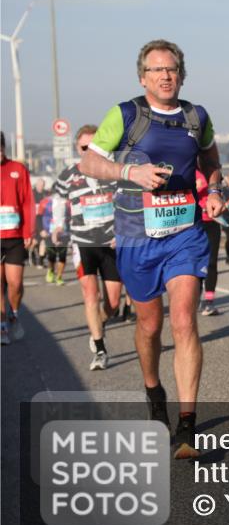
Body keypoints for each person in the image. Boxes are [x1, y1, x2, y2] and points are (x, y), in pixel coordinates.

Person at [81, 39, 223, 458]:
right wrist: (130, 171)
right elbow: (89, 162)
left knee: (183, 321)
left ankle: (186, 425)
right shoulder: (125, 114)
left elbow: (210, 157)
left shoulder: (197, 117)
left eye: (172, 69)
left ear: (182, 74)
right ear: (143, 77)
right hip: (136, 237)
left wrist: (213, 188)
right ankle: (152, 388)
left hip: (185, 232)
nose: (165, 75)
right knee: (149, 327)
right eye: (157, 69)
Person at [53, 125, 123, 370]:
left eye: (95, 146)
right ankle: (100, 348)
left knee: (113, 303)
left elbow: (126, 203)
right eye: (85, 148)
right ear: (77, 148)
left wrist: (123, 231)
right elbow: (59, 202)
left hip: (111, 242)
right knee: (90, 295)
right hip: (83, 243)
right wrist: (57, 227)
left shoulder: (114, 173)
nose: (90, 151)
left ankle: (98, 326)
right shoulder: (68, 175)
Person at [1, 132, 35, 345]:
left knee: (15, 283)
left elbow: (27, 202)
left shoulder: (18, 169)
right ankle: (2, 325)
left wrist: (29, 231)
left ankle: (14, 312)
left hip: (14, 236)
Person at [195, 170, 223, 315]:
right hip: (194, 223)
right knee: (196, 262)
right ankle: (195, 297)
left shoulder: (212, 172)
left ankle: (209, 302)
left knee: (211, 261)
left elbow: (220, 192)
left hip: (212, 222)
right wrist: (195, 187)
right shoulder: (189, 169)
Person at [44, 194, 68, 286]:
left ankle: (59, 276)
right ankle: (50, 270)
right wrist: (42, 230)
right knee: (52, 256)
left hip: (64, 234)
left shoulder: (67, 202)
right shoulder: (47, 202)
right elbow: (40, 216)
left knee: (62, 256)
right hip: (49, 233)